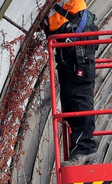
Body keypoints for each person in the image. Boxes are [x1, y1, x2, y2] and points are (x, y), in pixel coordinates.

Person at [45, 0, 99, 166]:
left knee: (79, 96)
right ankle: (81, 148)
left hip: (76, 35)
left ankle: (85, 148)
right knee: (69, 101)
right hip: (68, 38)